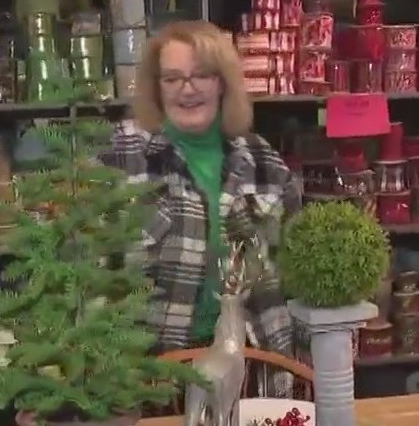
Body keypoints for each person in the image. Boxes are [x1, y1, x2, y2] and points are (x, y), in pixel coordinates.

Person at [111, 20, 300, 356]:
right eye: (172, 78)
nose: (188, 89)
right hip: (149, 375)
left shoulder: (264, 161)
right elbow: (82, 271)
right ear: (156, 88)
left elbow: (294, 270)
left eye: (202, 75)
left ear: (223, 84)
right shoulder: (120, 155)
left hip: (253, 362)